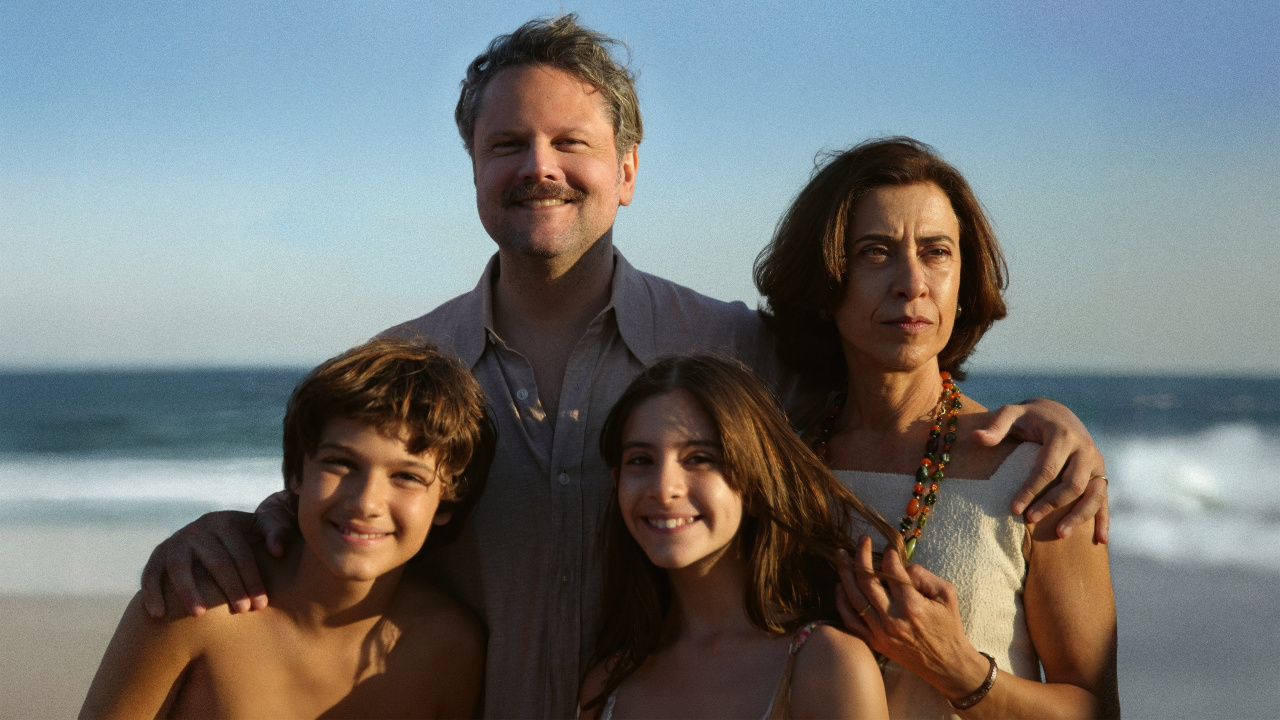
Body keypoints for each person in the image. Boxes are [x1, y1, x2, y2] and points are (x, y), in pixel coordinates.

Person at [137, 16, 1110, 719]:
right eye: (507, 143)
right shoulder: (404, 373)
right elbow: (338, 525)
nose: (540, 166)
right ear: (471, 165)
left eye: (573, 143)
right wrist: (239, 525)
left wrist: (1038, 421)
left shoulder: (738, 353)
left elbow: (887, 396)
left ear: (629, 170)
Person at [755, 137, 1119, 718]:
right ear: (824, 280)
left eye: (936, 251)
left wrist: (959, 669)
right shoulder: (781, 470)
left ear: (962, 274)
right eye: (875, 252)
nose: (912, 282)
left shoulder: (1037, 470)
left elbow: (1095, 709)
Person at [80, 338, 492, 718]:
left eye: (407, 476)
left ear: (448, 501)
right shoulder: (198, 606)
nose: (366, 501)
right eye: (341, 463)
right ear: (296, 472)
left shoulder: (451, 648)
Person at [579, 355, 891, 719]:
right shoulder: (607, 683)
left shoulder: (824, 664)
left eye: (699, 458)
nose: (663, 489)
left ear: (756, 488)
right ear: (617, 482)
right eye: (641, 460)